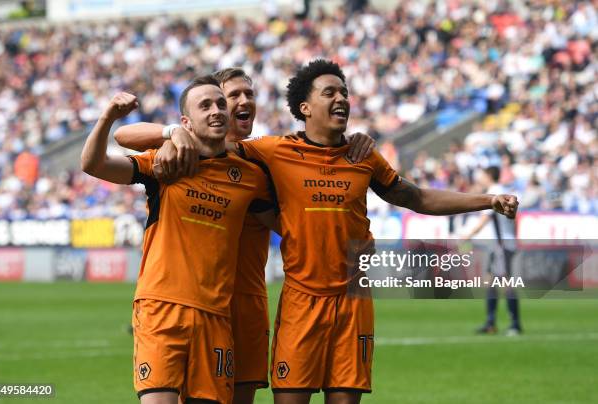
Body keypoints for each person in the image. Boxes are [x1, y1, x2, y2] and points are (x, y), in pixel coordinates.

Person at [233, 59, 518, 404]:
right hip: (301, 302)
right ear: (304, 107)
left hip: (354, 302)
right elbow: (218, 145)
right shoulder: (273, 152)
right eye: (329, 92)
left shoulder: (364, 157)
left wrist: (487, 200)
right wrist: (173, 138)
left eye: (344, 92)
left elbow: (418, 197)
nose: (341, 98)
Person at [114, 67, 375, 404]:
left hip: (247, 303)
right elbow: (123, 137)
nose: (241, 101)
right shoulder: (187, 153)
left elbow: (304, 200)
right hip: (196, 301)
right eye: (232, 95)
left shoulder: (262, 162)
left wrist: (353, 141)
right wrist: (172, 134)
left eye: (248, 94)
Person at [80, 75, 275, 404]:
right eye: (206, 105)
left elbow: (288, 225)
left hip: (216, 316)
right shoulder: (166, 163)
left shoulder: (251, 176)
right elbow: (94, 164)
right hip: (161, 308)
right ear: (185, 121)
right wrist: (108, 116)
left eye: (220, 104)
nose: (216, 110)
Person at [464, 166, 522, 336]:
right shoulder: (504, 191)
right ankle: (490, 322)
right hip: (503, 243)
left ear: (488, 175)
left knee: (505, 283)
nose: (480, 177)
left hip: (501, 245)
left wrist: (466, 236)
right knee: (490, 281)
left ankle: (515, 324)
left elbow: (484, 219)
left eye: (482, 174)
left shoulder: (494, 193)